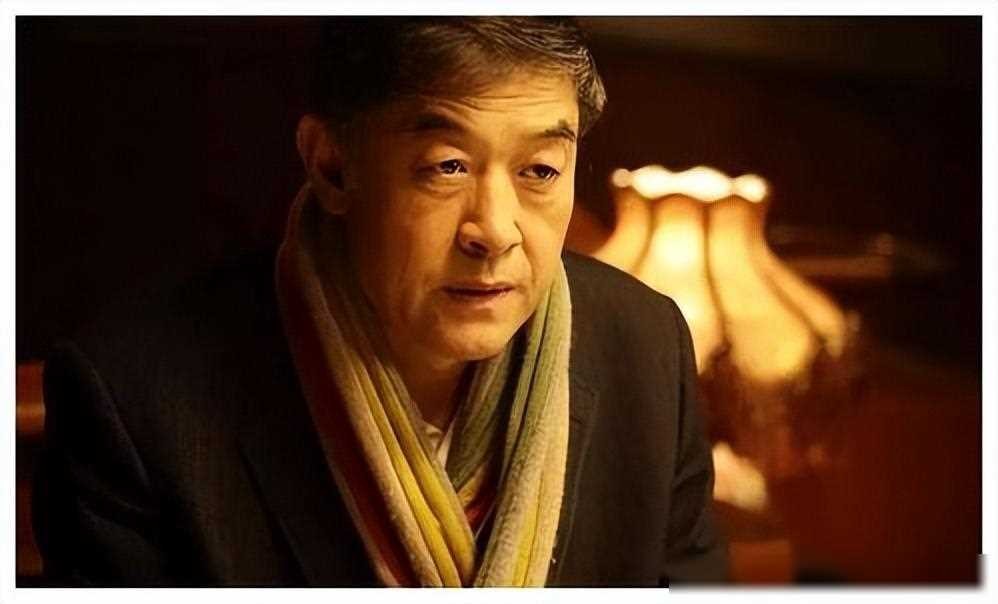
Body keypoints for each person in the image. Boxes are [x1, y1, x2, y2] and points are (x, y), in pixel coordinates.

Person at [33, 16, 727, 587]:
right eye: (447, 167)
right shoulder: (138, 400)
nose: (495, 231)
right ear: (332, 166)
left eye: (540, 170)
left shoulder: (645, 347)